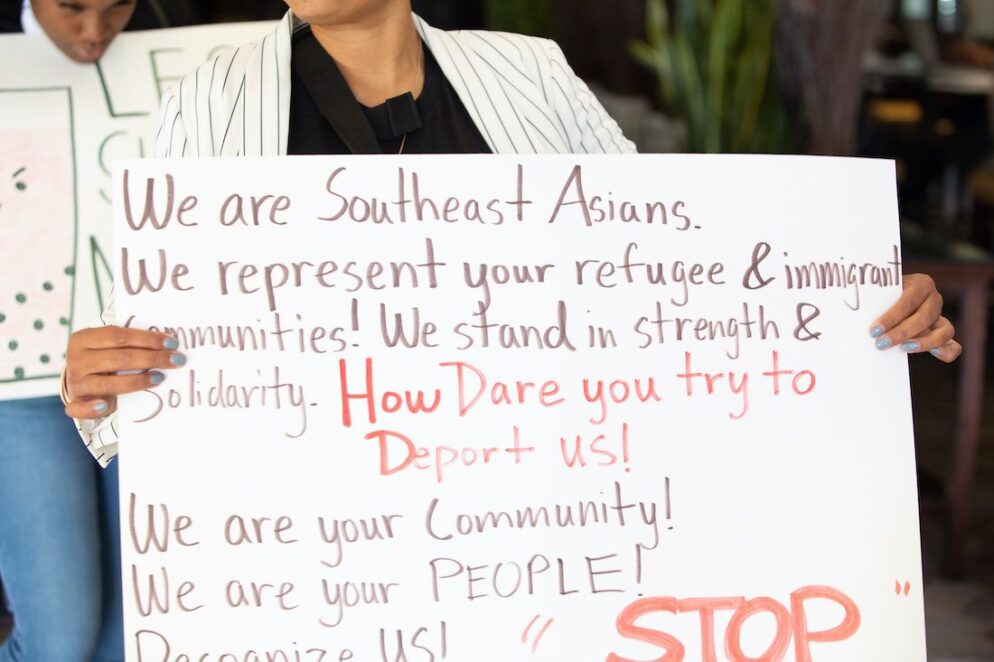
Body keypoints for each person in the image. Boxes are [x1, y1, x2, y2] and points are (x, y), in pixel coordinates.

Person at [63, 0, 961, 469]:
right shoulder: (211, 97)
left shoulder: (524, 69)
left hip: (530, 539)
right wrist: (101, 387)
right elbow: (142, 360)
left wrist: (855, 315)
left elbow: (671, 273)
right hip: (319, 553)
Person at [0, 1, 192, 660]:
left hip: (134, 372)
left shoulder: (176, 51)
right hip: (17, 379)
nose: (93, 31)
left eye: (115, 7)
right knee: (59, 638)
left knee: (133, 632)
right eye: (73, 7)